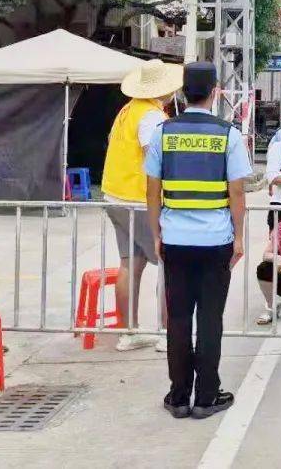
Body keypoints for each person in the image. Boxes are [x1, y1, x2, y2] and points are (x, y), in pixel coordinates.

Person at [146, 62, 249, 420]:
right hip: (215, 240)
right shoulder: (228, 135)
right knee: (209, 319)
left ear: (181, 93)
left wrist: (157, 233)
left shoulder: (163, 133)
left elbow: (152, 190)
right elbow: (237, 192)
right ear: (216, 92)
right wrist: (239, 238)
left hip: (174, 239)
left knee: (177, 318)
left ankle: (178, 396)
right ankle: (206, 397)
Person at [100, 58, 183, 353]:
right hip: (138, 199)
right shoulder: (151, 116)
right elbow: (154, 157)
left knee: (129, 264)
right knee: (168, 264)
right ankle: (166, 332)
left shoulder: (126, 110)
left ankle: (129, 331)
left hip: (113, 195)